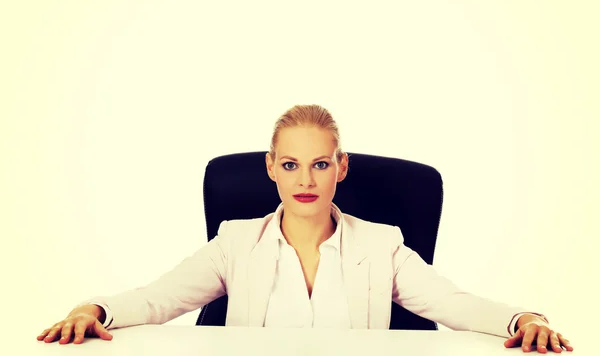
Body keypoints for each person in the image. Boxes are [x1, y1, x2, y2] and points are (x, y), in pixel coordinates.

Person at [37, 104, 573, 353]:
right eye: (290, 165)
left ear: (341, 168)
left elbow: (455, 303)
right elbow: (157, 300)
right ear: (271, 168)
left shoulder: (381, 245)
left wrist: (523, 318)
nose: (306, 180)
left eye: (320, 164)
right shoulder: (235, 242)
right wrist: (94, 309)